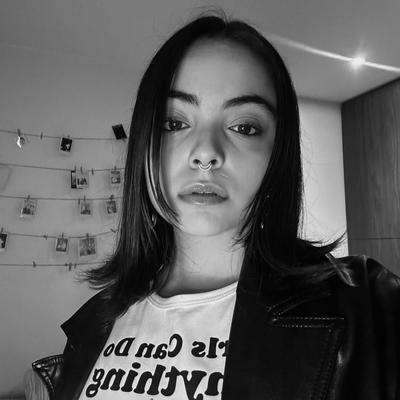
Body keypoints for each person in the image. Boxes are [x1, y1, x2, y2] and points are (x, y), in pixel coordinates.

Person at [32, 13, 400, 400]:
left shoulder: (368, 310)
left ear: (278, 154)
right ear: (144, 143)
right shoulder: (94, 322)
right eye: (174, 123)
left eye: (244, 127)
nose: (206, 152)